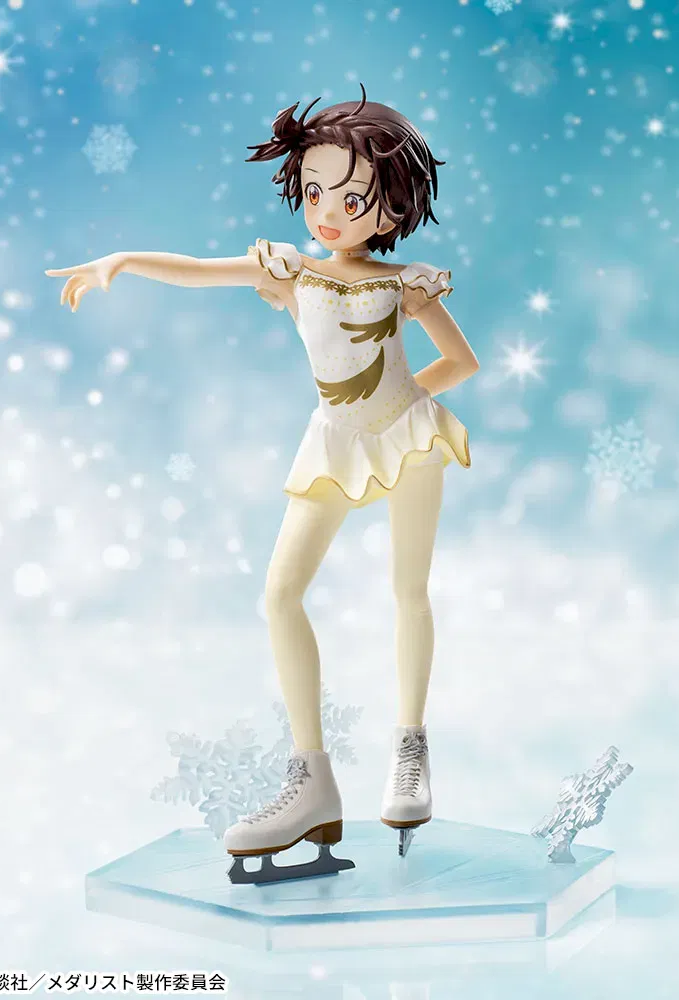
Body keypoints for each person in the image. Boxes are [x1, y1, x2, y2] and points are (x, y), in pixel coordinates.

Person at [46, 85, 479, 877]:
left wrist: (403, 407)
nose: (329, 212)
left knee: (408, 591)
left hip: (409, 440)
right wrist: (123, 262)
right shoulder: (293, 271)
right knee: (280, 594)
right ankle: (312, 778)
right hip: (332, 444)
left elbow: (461, 361)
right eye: (315, 192)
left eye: (354, 198)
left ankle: (410, 750)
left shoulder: (402, 284)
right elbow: (197, 270)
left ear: (393, 205)